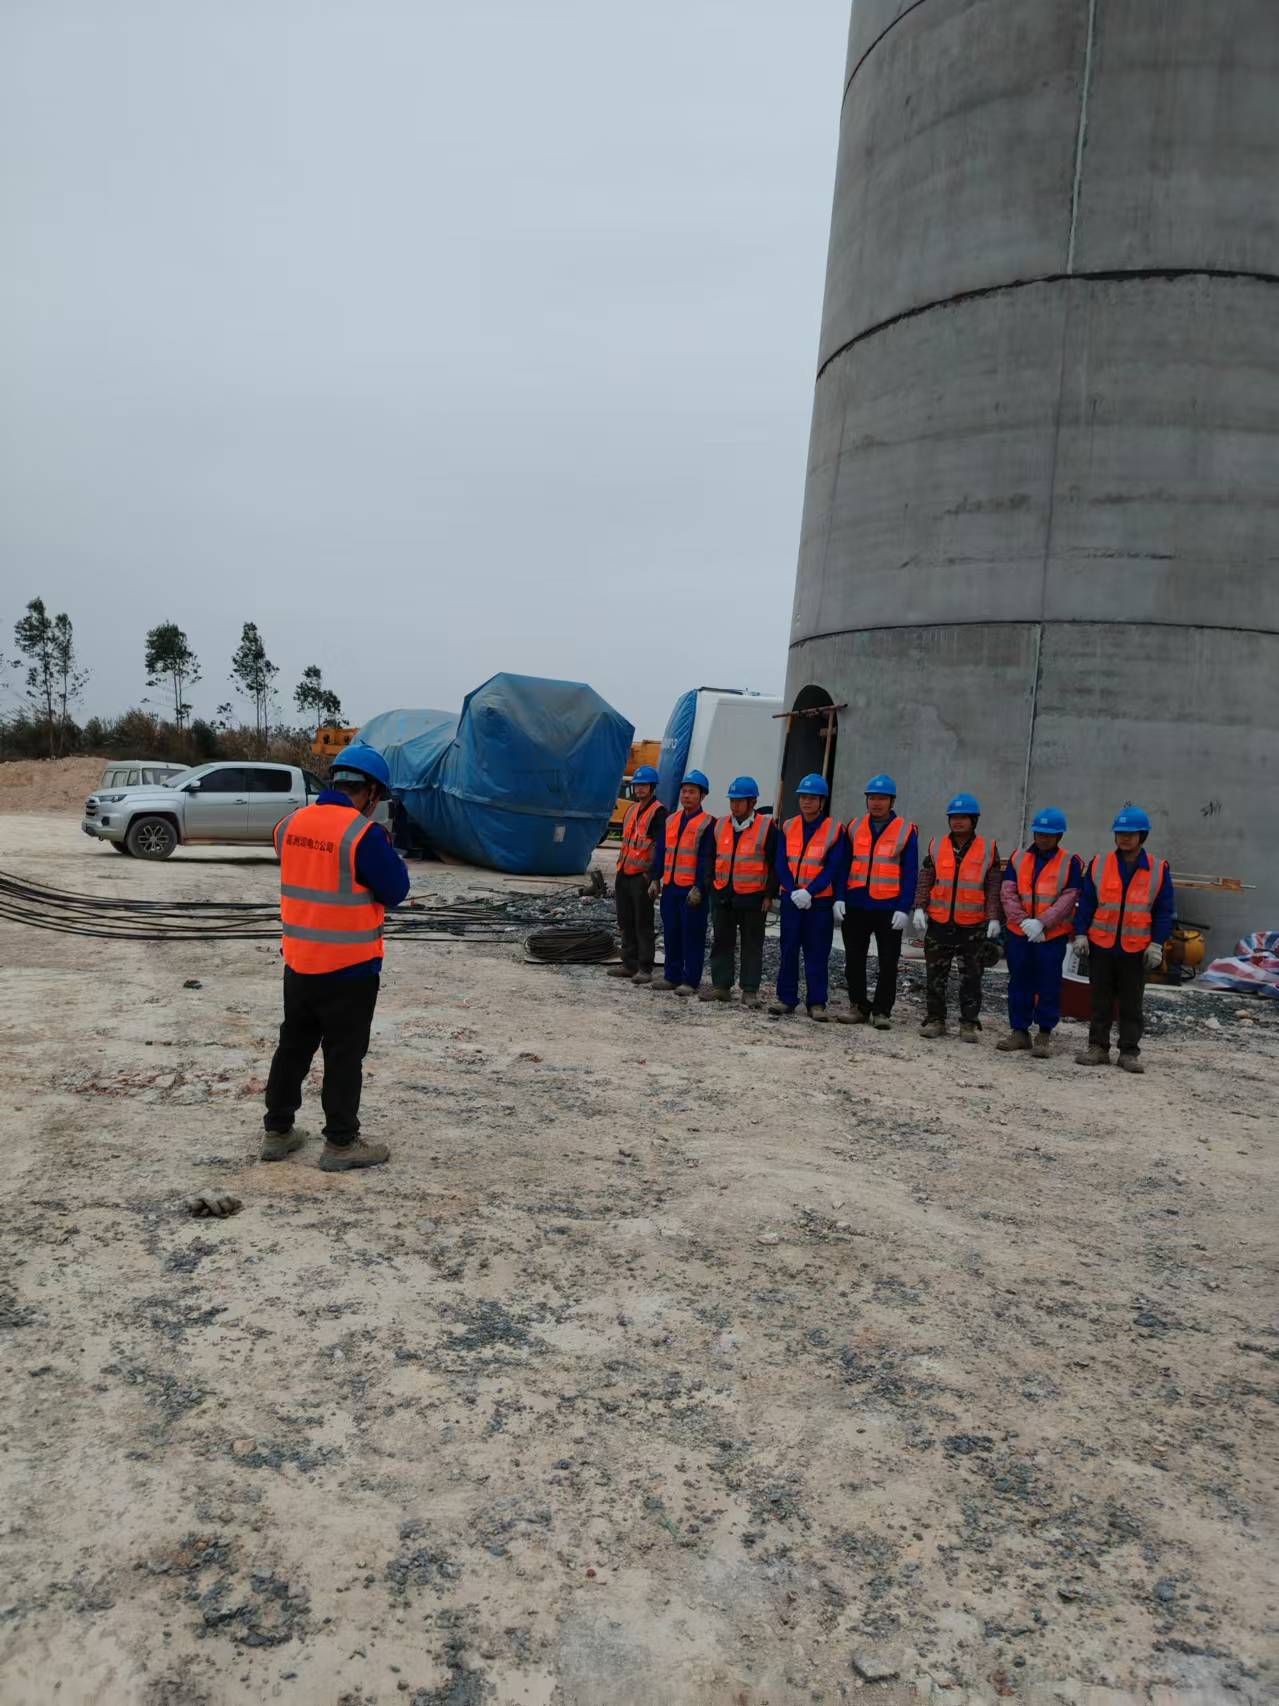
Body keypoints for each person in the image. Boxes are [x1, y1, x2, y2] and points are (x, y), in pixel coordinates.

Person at [263, 743, 409, 1171]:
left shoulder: (289, 825)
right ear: (371, 793)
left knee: (293, 1046)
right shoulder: (363, 835)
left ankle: (277, 1132)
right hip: (349, 967)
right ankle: (341, 1144)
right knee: (343, 1054)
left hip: (299, 961)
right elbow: (395, 891)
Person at [1073, 805, 1175, 1074]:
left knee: (1132, 1004)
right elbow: (1087, 903)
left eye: (1131, 833)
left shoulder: (1158, 869)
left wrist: (1157, 943)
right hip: (1101, 945)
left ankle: (1129, 1052)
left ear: (1142, 836)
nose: (1125, 838)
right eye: (1120, 833)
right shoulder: (1099, 864)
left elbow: (1164, 911)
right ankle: (1098, 1047)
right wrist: (1081, 933)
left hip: (1135, 949)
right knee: (1100, 1001)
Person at [912, 792, 1002, 1042]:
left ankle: (968, 1023)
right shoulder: (937, 845)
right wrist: (919, 907)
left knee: (972, 976)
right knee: (935, 975)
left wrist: (994, 917)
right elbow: (926, 879)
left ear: (974, 820)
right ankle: (935, 1019)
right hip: (940, 922)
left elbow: (993, 885)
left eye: (963, 817)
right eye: (954, 817)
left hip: (972, 924)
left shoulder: (988, 848)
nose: (958, 822)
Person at [997, 807, 1083, 1058]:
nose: (1044, 838)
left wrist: (1043, 923)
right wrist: (1024, 922)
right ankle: (1019, 1031)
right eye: (1040, 833)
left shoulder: (1070, 862)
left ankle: (1044, 1033)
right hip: (1020, 933)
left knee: (1049, 983)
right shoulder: (1018, 858)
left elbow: (1070, 897)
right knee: (1019, 981)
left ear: (1059, 836)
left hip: (1051, 936)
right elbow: (1008, 892)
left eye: (1049, 834)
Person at [835, 772, 917, 1030]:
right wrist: (839, 897)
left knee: (888, 961)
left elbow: (910, 872)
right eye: (872, 798)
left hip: (888, 907)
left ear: (892, 801)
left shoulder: (905, 830)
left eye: (882, 798)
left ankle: (882, 1011)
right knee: (854, 958)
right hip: (856, 904)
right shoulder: (854, 826)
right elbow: (843, 865)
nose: (876, 803)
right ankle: (858, 1005)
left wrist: (904, 907)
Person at [771, 773, 843, 1021]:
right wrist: (792, 890)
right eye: (803, 797)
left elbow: (833, 867)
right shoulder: (788, 826)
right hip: (791, 899)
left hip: (819, 902)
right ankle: (786, 998)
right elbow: (781, 862)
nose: (806, 802)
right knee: (788, 949)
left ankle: (817, 1002)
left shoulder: (835, 830)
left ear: (822, 801)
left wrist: (810, 891)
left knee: (817, 952)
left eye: (812, 798)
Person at [701, 775, 777, 1008]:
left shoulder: (766, 828)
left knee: (752, 944)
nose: (734, 805)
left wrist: (769, 894)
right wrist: (711, 883)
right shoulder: (719, 825)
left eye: (739, 801)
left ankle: (749, 990)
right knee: (721, 941)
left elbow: (775, 863)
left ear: (752, 802)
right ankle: (721, 986)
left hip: (753, 897)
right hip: (723, 894)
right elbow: (709, 856)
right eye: (732, 800)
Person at [650, 770, 715, 995]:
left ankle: (690, 980)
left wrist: (699, 886)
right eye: (684, 791)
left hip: (692, 890)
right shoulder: (671, 820)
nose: (686, 796)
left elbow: (706, 859)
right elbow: (661, 851)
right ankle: (672, 976)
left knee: (692, 935)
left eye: (692, 792)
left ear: (702, 796)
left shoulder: (708, 824)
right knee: (671, 932)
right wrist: (655, 878)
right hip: (671, 887)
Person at [609, 764, 665, 985]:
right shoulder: (631, 810)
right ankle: (629, 963)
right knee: (625, 920)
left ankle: (644, 966)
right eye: (637, 785)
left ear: (652, 787)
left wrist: (654, 877)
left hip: (642, 876)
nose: (639, 789)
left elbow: (660, 847)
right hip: (624, 872)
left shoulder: (658, 812)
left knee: (643, 923)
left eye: (644, 785)